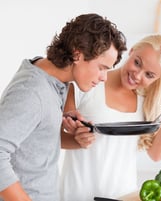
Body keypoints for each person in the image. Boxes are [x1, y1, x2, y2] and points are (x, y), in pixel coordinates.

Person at [0, 13, 126, 201]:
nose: (104, 78)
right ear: (77, 54)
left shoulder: (53, 79)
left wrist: (74, 139)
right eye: (101, 67)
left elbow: (33, 141)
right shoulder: (32, 92)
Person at [60, 34, 161, 201]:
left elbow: (156, 154)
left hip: (123, 196)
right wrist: (76, 137)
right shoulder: (87, 84)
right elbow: (59, 134)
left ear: (157, 79)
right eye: (137, 63)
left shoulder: (145, 102)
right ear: (131, 51)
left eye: (149, 75)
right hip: (76, 195)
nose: (137, 75)